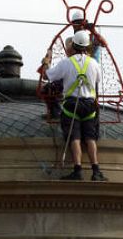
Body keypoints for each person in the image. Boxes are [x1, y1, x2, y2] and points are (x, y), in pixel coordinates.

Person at [41, 30, 107, 181]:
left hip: (72, 105)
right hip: (89, 105)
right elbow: (97, 81)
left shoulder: (66, 63)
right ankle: (96, 171)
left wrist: (46, 62)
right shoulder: (94, 63)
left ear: (74, 45)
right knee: (90, 138)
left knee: (74, 137)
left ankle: (77, 170)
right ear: (86, 46)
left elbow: (47, 76)